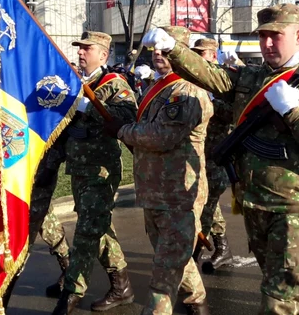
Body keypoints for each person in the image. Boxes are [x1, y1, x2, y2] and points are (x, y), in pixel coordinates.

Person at [146, 7, 299, 314]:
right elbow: (210, 76)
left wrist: (293, 113)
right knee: (289, 294)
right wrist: (174, 49)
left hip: (294, 207)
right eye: (263, 36)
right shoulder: (253, 77)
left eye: (276, 36)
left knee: (279, 299)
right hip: (255, 203)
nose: (268, 44)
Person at [111, 26, 212, 315]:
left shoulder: (186, 90)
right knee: (169, 256)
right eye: (155, 49)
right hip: (155, 189)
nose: (157, 54)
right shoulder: (162, 87)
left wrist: (122, 130)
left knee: (165, 270)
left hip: (178, 194)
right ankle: (197, 302)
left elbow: (162, 136)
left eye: (166, 49)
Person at [52, 31, 137, 315]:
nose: (80, 53)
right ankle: (121, 286)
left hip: (100, 170)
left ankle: (71, 293)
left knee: (87, 231)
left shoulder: (114, 84)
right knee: (99, 228)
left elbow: (127, 118)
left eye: (86, 49)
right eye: (79, 49)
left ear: (103, 54)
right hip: (78, 168)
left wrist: (93, 110)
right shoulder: (77, 84)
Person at [0, 142, 71, 310]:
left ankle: (3, 292)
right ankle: (71, 272)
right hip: (24, 168)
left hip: (40, 172)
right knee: (47, 222)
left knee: (23, 232)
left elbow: (56, 131)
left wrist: (50, 167)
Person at [189, 37, 234, 274]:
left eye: (201, 53)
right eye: (194, 53)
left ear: (213, 56)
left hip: (217, 153)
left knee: (206, 204)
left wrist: (214, 102)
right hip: (196, 154)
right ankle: (222, 247)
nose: (197, 57)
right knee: (208, 204)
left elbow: (233, 114)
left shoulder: (223, 82)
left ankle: (192, 255)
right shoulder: (193, 80)